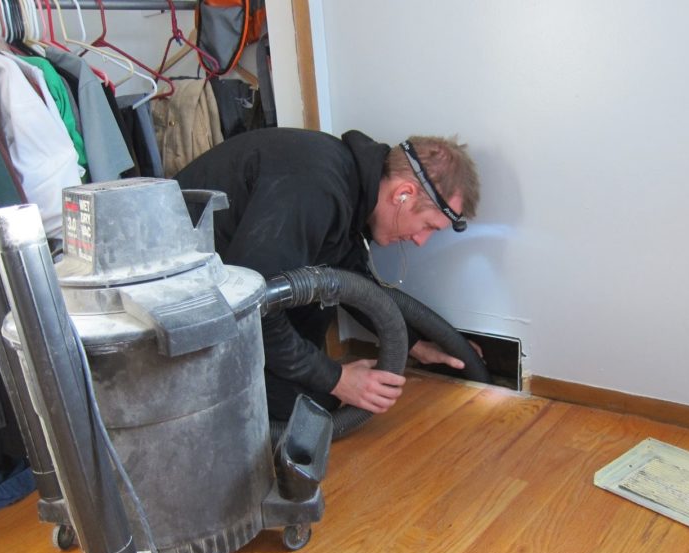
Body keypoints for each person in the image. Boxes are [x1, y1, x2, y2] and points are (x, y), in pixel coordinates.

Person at [174, 128, 480, 421]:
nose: (421, 240)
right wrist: (337, 379)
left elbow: (352, 284)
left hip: (224, 303)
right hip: (180, 324)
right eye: (428, 226)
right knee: (306, 406)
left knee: (315, 398)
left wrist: (415, 343)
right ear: (403, 194)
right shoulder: (316, 188)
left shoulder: (348, 188)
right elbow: (252, 304)